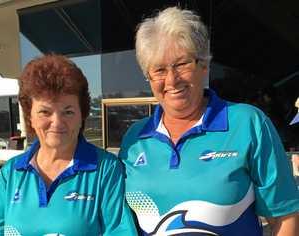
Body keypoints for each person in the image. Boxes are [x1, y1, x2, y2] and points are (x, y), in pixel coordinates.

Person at [119, 7, 299, 236]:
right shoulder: (134, 139)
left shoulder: (248, 124)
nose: (172, 80)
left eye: (182, 64)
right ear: (149, 77)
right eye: (159, 70)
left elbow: (285, 218)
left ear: (203, 65)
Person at [0, 54, 137, 235]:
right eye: (45, 112)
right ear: (30, 117)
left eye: (68, 112)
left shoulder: (106, 169)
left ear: (82, 116)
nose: (57, 122)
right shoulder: (11, 172)